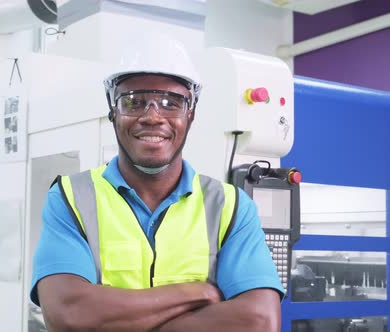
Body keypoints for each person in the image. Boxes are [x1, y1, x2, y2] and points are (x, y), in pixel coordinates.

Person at [30, 40, 284, 331]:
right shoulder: (71, 198)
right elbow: (69, 315)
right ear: (113, 111)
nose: (152, 116)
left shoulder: (231, 206)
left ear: (191, 114)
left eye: (171, 103)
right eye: (134, 101)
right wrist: (198, 292)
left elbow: (259, 321)